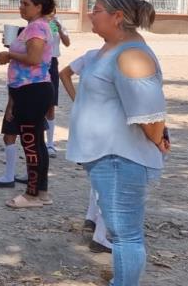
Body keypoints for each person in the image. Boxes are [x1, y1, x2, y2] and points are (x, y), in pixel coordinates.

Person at [67, 0, 170, 286]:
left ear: (118, 16)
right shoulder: (112, 47)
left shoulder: (132, 56)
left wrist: (158, 139)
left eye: (96, 10)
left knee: (125, 235)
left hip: (119, 158)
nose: (90, 14)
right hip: (107, 155)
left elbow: (151, 117)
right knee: (117, 231)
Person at [0, 0, 57, 208]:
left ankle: (32, 195)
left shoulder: (37, 27)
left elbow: (34, 58)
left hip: (32, 89)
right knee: (36, 142)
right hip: (29, 89)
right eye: (20, 3)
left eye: (25, 4)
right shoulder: (33, 27)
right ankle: (42, 192)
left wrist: (9, 54)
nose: (21, 7)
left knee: (30, 142)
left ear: (38, 7)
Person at [59, 49, 112, 253]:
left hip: (86, 121)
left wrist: (78, 100)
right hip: (103, 123)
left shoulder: (92, 54)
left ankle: (91, 218)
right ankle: (100, 233)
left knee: (97, 172)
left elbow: (65, 73)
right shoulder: (118, 57)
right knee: (108, 175)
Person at [45, 10, 70, 157]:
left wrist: (58, 28)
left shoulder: (55, 24)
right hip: (38, 62)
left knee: (51, 104)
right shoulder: (37, 22)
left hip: (51, 63)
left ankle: (49, 143)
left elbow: (66, 43)